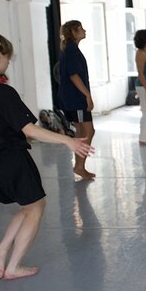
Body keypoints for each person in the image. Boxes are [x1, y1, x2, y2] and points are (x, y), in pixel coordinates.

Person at [0, 31, 93, 280]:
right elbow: (29, 130)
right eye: (8, 57)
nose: (8, 62)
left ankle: (1, 251)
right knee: (36, 208)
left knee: (29, 206)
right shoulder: (2, 92)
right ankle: (13, 266)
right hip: (11, 158)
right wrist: (67, 140)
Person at [58, 20, 96, 179]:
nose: (84, 30)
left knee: (81, 131)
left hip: (72, 97)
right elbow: (74, 76)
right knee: (88, 131)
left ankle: (79, 166)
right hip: (76, 98)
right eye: (81, 28)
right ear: (74, 32)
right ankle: (80, 166)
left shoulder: (70, 49)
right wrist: (87, 95)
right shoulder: (72, 50)